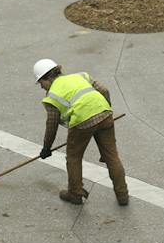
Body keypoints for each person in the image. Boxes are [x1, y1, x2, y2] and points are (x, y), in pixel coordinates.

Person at [34, 58, 129, 207]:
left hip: (82, 123)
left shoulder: (51, 97)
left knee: (73, 157)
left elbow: (51, 126)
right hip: (105, 114)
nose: (41, 87)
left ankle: (75, 193)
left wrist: (46, 147)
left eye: (40, 82)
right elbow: (104, 90)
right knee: (112, 156)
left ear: (46, 78)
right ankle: (123, 195)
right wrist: (105, 110)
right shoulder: (81, 76)